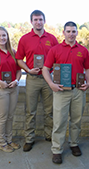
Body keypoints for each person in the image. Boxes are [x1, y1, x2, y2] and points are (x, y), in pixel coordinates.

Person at [42, 21, 89, 164]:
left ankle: (74, 144)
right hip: (61, 90)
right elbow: (45, 68)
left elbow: (88, 69)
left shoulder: (83, 50)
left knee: (76, 120)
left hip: (78, 91)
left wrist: (88, 83)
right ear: (63, 33)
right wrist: (51, 84)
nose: (71, 34)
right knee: (59, 121)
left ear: (77, 33)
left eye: (73, 31)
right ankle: (57, 149)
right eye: (68, 31)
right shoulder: (55, 50)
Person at [16, 10, 58, 152]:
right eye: (35, 19)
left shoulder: (52, 39)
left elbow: (58, 59)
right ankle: (29, 139)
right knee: (30, 111)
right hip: (32, 79)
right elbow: (19, 59)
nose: (38, 22)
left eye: (40, 19)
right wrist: (27, 70)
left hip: (48, 80)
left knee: (49, 111)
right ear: (31, 22)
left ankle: (49, 135)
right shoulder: (24, 39)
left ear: (44, 21)